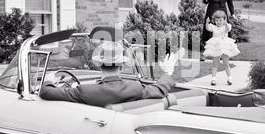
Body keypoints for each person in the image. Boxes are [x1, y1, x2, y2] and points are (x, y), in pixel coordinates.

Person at [39, 41, 177, 107]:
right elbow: (160, 89)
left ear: (99, 65)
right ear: (121, 66)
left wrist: (50, 80)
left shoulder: (84, 91)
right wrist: (167, 72)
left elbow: (45, 92)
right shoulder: (135, 88)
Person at [203, 10, 240, 86]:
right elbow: (208, 28)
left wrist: (226, 23)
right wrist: (207, 22)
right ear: (214, 21)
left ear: (224, 20)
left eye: (220, 20)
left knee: (226, 62)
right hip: (216, 46)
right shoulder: (213, 27)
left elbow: (228, 29)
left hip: (224, 46)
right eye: (217, 20)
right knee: (215, 63)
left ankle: (229, 78)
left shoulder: (226, 26)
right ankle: (213, 78)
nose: (218, 22)